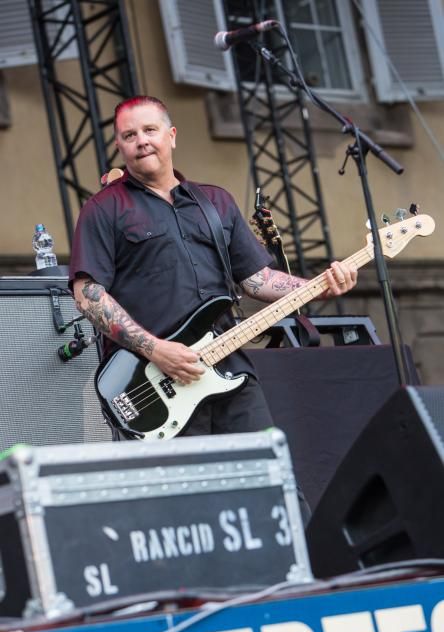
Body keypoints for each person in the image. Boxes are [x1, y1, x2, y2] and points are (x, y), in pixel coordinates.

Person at [70, 95, 358, 441]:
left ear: (172, 136)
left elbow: (257, 279)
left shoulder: (215, 202)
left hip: (227, 367)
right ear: (119, 146)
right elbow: (87, 294)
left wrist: (319, 287)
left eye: (150, 130)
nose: (141, 141)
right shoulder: (103, 209)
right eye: (129, 135)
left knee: (266, 464)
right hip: (152, 380)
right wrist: (156, 350)